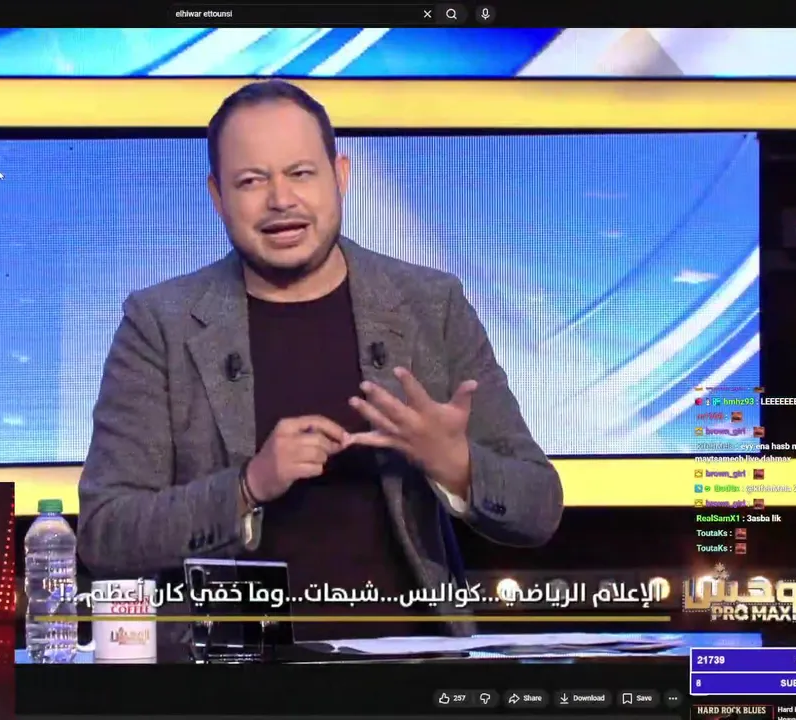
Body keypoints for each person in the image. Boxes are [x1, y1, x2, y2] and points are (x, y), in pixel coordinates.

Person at [77, 79, 564, 641]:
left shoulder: (431, 306)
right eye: (251, 181)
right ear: (217, 196)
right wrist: (247, 487)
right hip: (230, 675)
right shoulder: (160, 325)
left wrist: (454, 463)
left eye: (301, 173)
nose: (280, 199)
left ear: (341, 176)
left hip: (413, 666)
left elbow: (539, 508)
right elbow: (106, 534)